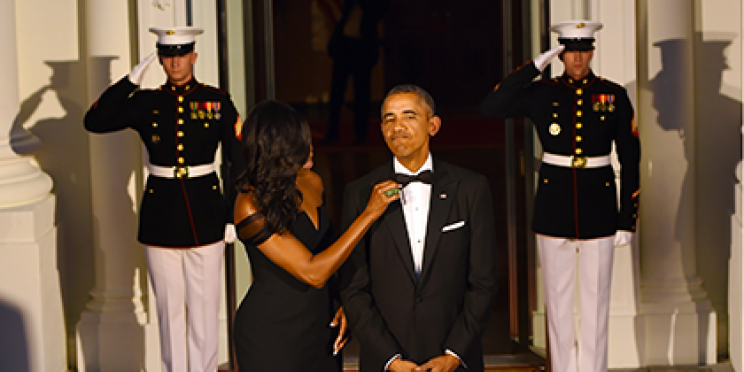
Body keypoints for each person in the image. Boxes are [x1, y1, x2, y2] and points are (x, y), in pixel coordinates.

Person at [480, 20, 641, 372]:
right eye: (570, 52)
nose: (578, 60)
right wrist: (535, 66)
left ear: (593, 52)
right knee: (557, 298)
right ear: (561, 54)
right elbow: (491, 106)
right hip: (553, 203)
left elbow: (630, 158)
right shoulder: (541, 91)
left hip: (599, 203)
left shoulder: (613, 94)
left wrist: (627, 217)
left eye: (583, 51)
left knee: (596, 301)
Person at [84, 26, 243, 372]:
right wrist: (129, 81)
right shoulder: (145, 102)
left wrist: (232, 215)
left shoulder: (216, 100)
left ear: (193, 57)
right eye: (168, 55)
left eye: (181, 54)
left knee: (204, 308)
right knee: (169, 310)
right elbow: (95, 121)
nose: (175, 62)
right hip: (161, 213)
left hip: (206, 212)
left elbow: (238, 160)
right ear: (159, 59)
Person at [339, 84, 499, 372]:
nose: (397, 126)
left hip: (455, 360)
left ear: (433, 125)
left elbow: (484, 281)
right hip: (386, 363)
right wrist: (390, 359)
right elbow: (353, 288)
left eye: (408, 116)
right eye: (389, 119)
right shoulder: (359, 193)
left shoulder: (471, 188)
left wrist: (453, 354)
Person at [232, 100, 401, 371]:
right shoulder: (248, 204)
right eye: (301, 142)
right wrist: (369, 213)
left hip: (320, 327)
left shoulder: (312, 181)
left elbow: (332, 251)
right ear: (278, 147)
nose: (311, 148)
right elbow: (313, 271)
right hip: (271, 336)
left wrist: (343, 301)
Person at [323, 0, 390, 145]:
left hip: (363, 48)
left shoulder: (372, 6)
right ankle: (333, 132)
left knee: (362, 93)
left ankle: (361, 134)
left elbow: (377, 12)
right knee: (337, 92)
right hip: (345, 46)